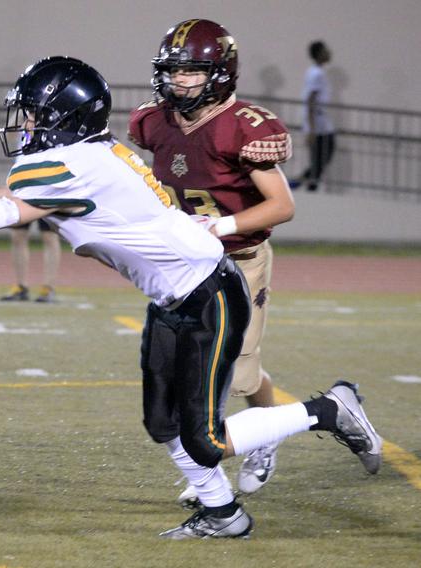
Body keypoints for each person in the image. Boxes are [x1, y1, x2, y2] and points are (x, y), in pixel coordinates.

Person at [0, 56, 382, 539]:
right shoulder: (86, 154)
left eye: (33, 112)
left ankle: (327, 409)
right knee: (162, 425)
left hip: (208, 295)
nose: (25, 122)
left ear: (63, 117)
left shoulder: (77, 165)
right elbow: (0, 194)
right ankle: (222, 513)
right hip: (177, 296)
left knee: (206, 440)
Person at [128, 19, 295, 505]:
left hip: (238, 258)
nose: (180, 81)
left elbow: (282, 206)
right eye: (173, 70)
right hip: (185, 270)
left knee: (239, 374)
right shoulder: (153, 122)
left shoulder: (241, 126)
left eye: (192, 72)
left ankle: (266, 436)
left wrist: (219, 227)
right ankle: (209, 469)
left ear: (219, 73)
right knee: (193, 374)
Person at [291, 41, 335, 192]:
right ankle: (308, 185)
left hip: (321, 123)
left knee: (321, 158)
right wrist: (311, 129)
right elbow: (310, 100)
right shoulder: (316, 73)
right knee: (320, 157)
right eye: (326, 50)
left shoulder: (317, 72)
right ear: (319, 54)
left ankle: (301, 182)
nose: (329, 53)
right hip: (317, 124)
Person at [0, 220, 60, 303]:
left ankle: (48, 288)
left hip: (47, 207)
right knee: (17, 235)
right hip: (26, 206)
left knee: (49, 235)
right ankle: (21, 287)